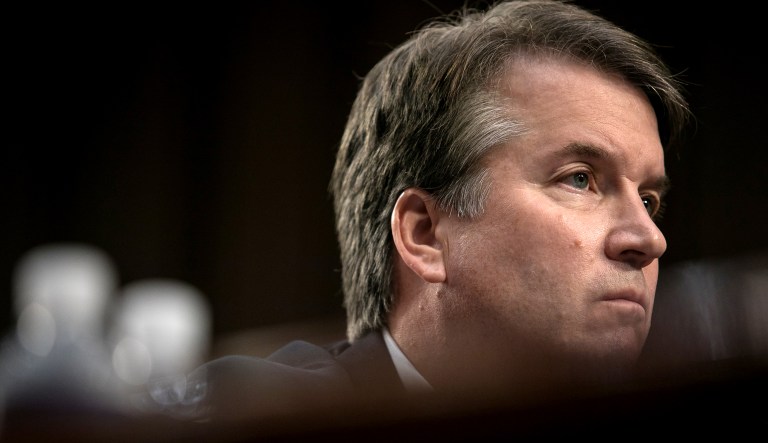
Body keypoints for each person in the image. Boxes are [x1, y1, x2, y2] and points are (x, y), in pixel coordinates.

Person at [169, 0, 691, 426]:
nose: (648, 239)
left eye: (648, 200)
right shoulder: (264, 418)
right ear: (425, 235)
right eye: (579, 178)